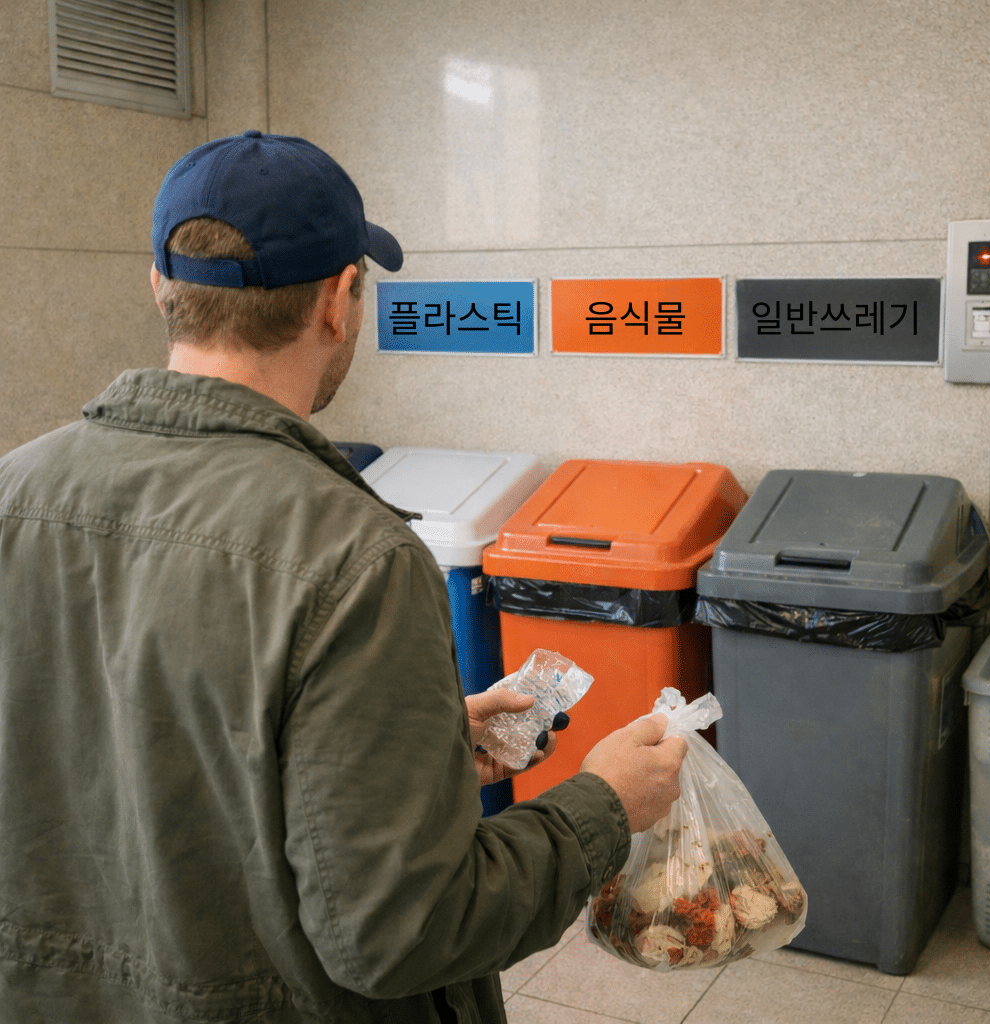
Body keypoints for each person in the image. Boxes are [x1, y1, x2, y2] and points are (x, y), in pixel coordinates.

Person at [0, 131, 687, 1023]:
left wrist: (421, 755)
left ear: (160, 287)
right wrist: (601, 807)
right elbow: (401, 932)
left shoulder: (15, 491)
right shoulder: (355, 558)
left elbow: (147, 767)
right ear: (339, 299)